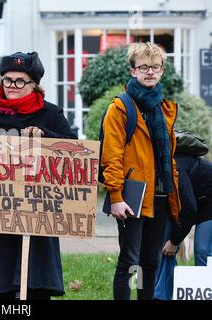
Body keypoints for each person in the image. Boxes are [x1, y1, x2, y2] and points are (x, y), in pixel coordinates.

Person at [0, 51, 77, 300]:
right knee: (1, 291)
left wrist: (45, 135)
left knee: (36, 287)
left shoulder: (51, 113)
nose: (12, 86)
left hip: (37, 215)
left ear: (34, 85)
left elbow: (74, 149)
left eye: (20, 81)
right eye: (7, 80)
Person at [101, 42, 180, 300]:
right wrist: (115, 197)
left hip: (159, 197)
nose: (150, 72)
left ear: (162, 71)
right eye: (144, 67)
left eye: (155, 67)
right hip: (132, 195)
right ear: (133, 71)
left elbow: (167, 157)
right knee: (129, 262)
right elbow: (111, 156)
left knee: (150, 262)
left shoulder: (163, 108)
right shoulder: (120, 107)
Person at [154, 152, 212, 299]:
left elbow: (190, 210)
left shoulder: (176, 169)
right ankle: (161, 294)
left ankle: (206, 293)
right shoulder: (157, 167)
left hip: (208, 202)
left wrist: (175, 241)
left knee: (202, 249)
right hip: (190, 201)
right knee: (165, 247)